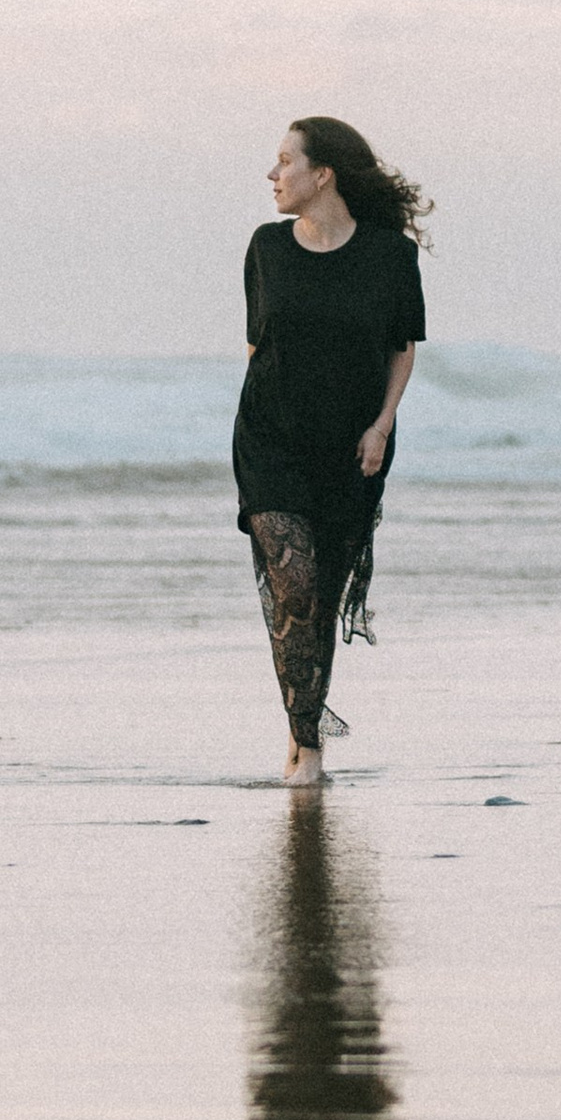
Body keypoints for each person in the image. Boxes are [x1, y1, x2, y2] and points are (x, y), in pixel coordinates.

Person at [233, 117, 428, 787]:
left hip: (352, 447)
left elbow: (401, 348)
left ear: (323, 176)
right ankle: (307, 748)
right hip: (271, 443)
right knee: (292, 585)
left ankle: (302, 734)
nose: (273, 174)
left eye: (285, 161)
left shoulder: (388, 257)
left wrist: (381, 424)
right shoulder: (266, 248)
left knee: (319, 598)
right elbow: (259, 349)